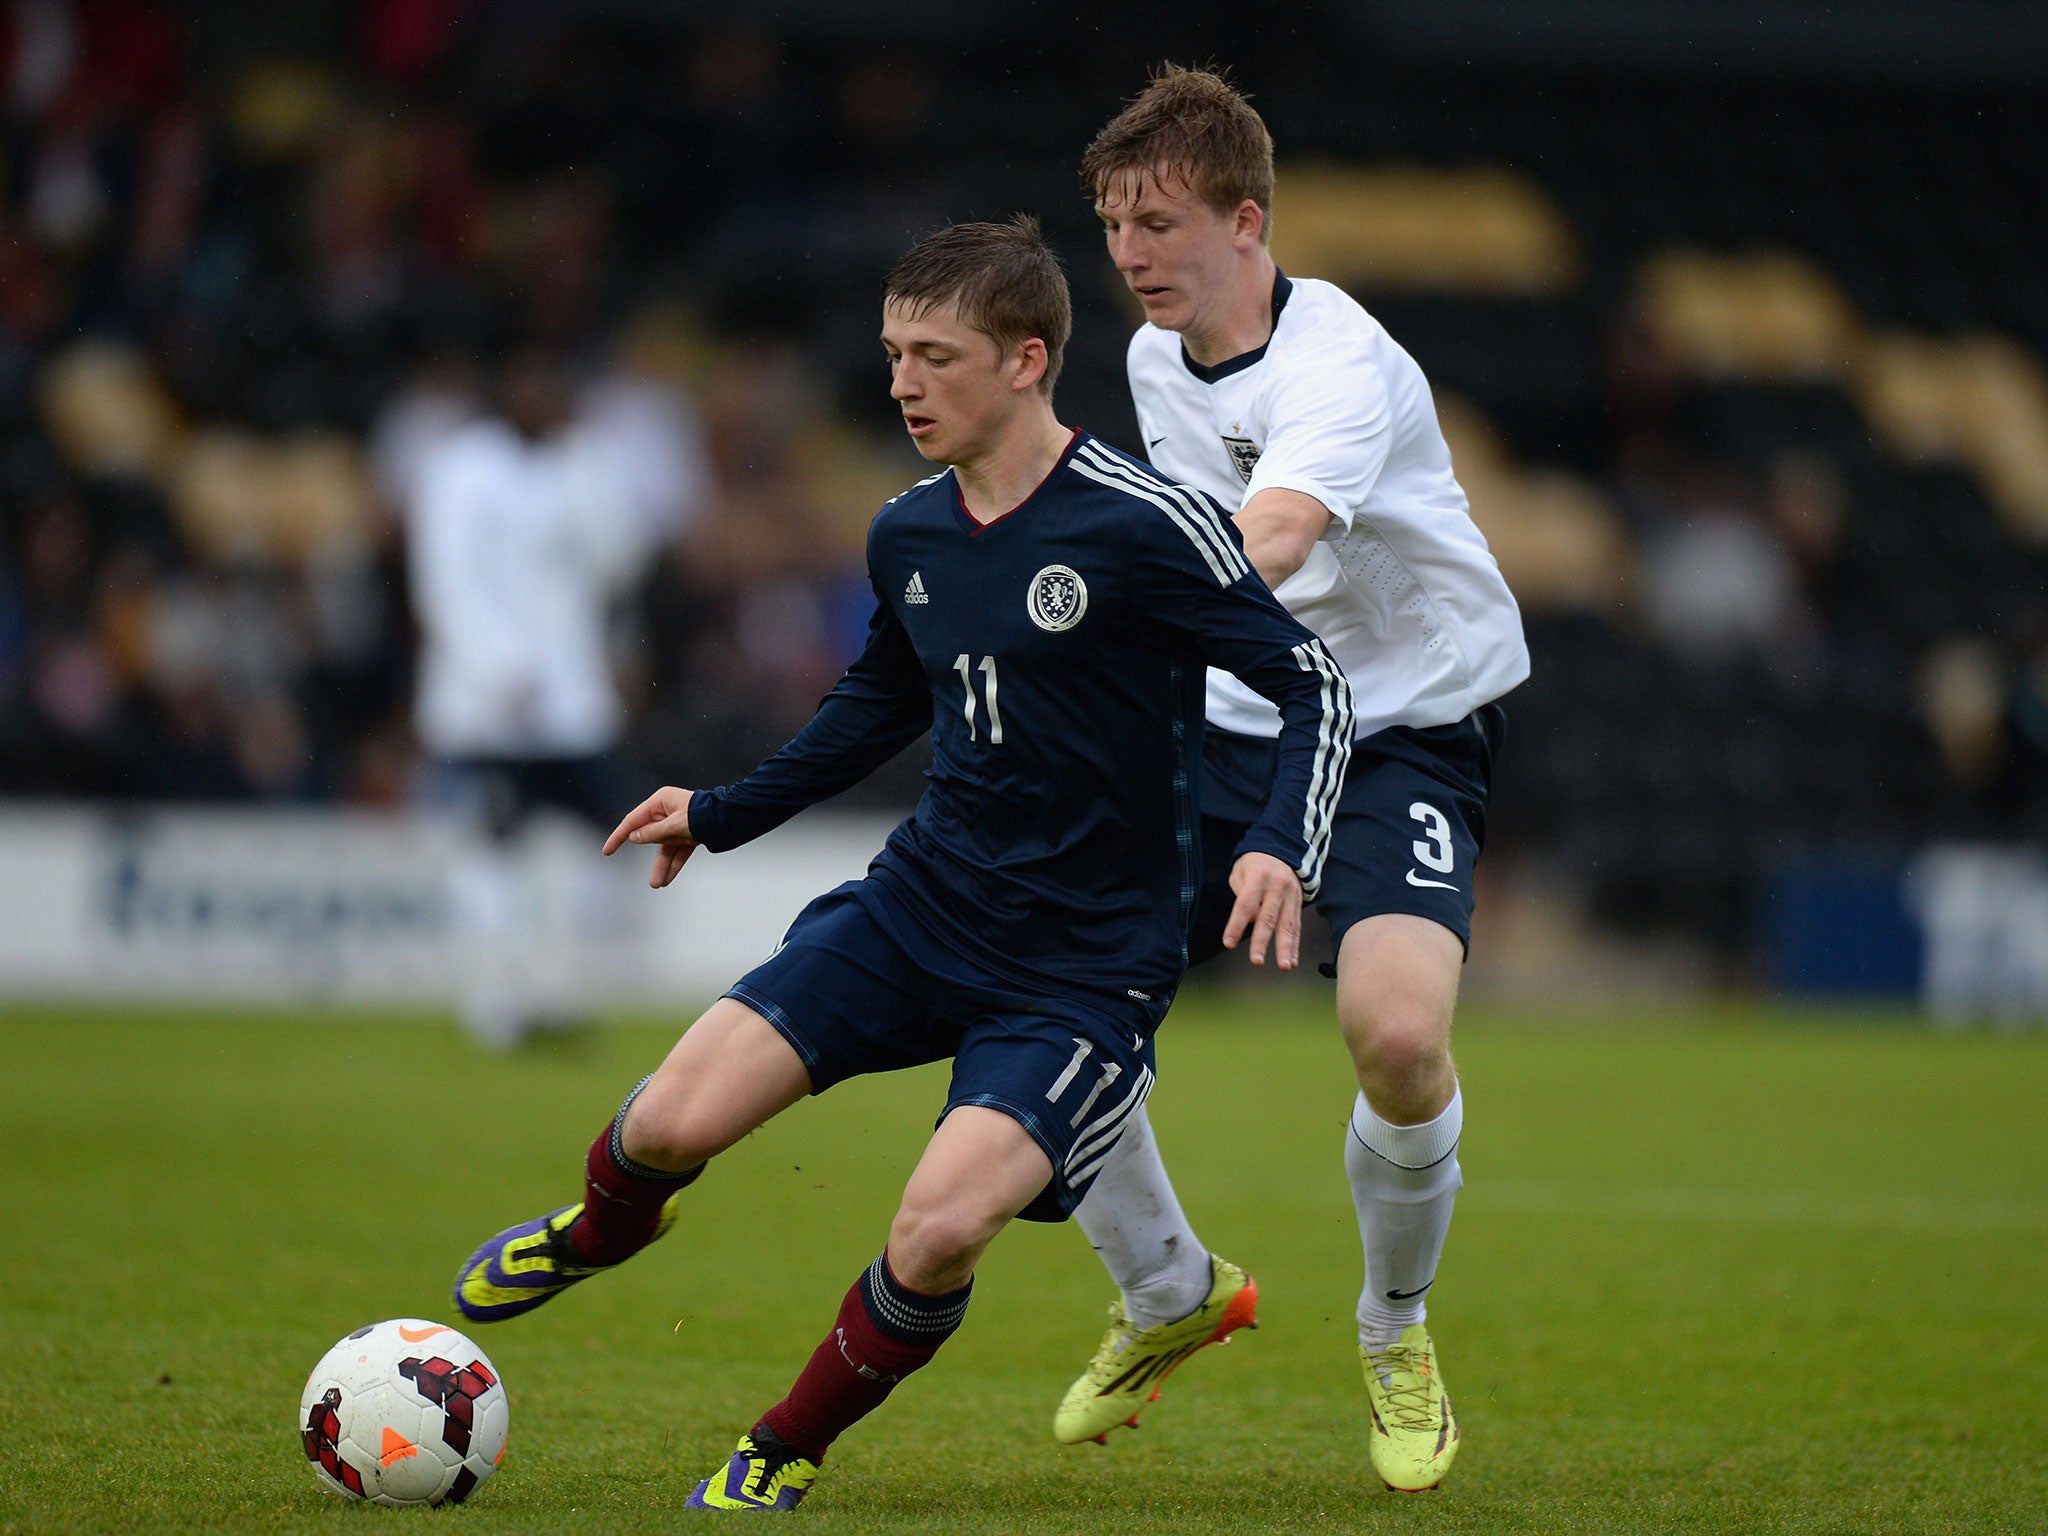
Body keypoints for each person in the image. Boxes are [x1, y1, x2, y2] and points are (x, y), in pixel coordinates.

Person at [448, 217, 1354, 1511]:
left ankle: (785, 1443)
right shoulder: (911, 533)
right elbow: (875, 707)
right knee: (666, 1121)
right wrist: (719, 813)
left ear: (1028, 360)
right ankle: (595, 1232)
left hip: (1085, 967)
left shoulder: (1147, 527)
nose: (901, 383)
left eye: (934, 355)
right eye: (891, 353)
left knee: (934, 1232)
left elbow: (1308, 675)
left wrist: (1278, 845)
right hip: (923, 905)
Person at [1054, 68, 1530, 1493]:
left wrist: (1086, 606)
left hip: (1407, 720)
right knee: (1050, 990)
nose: (1130, 254)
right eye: (1112, 225)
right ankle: (1167, 1288)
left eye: (1159, 222)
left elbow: (1263, 541)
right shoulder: (1152, 363)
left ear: (1245, 220)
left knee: (1394, 1036)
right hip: (1239, 719)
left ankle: (1394, 1324)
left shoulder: (1341, 361)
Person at [407, 345, 649, 1047]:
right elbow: (445, 582)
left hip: (574, 703)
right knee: (491, 848)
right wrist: (501, 667)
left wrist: (588, 471)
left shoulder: (583, 463)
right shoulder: (463, 467)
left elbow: (620, 560)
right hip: (486, 707)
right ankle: (495, 1002)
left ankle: (556, 990)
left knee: (599, 842)